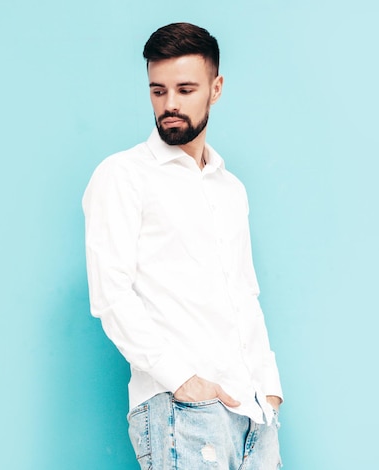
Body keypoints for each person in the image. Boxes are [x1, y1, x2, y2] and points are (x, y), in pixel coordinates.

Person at [82, 22, 283, 469]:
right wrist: (183, 380)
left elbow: (244, 293)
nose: (169, 104)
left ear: (216, 88)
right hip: (184, 408)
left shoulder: (231, 189)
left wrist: (269, 387)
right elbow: (111, 295)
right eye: (158, 91)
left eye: (185, 89)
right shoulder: (123, 176)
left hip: (254, 412)